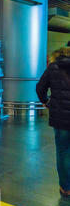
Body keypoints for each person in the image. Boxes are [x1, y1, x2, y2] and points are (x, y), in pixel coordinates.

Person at [36, 46, 70, 197]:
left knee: (63, 151)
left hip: (60, 118)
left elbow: (40, 88)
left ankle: (66, 188)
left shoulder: (53, 67)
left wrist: (46, 102)